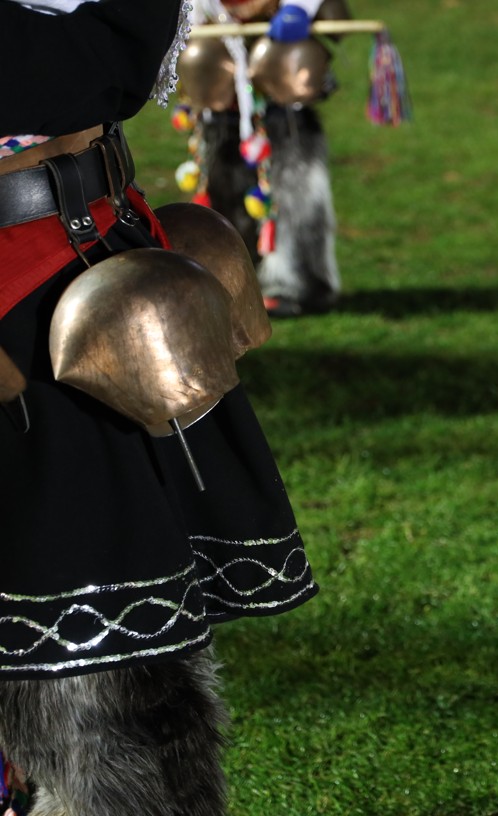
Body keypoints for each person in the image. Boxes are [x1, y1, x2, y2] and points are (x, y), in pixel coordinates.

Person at [0, 2, 317, 814]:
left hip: (82, 267)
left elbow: (112, 56)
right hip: (27, 290)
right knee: (97, 692)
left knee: (112, 685)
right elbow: (87, 64)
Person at [181, 0, 344, 317]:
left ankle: (297, 283)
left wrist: (300, 9)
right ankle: (231, 281)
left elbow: (331, 23)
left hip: (282, 93)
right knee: (223, 192)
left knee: (293, 195)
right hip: (220, 93)